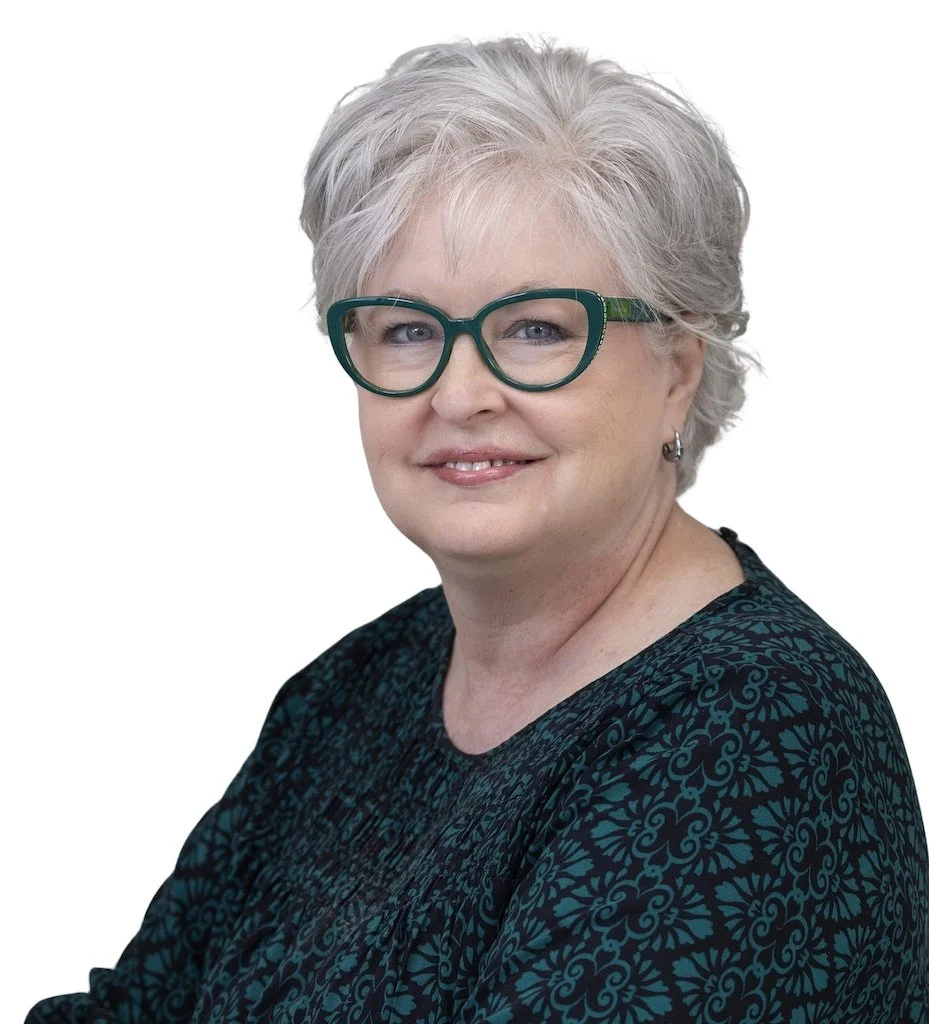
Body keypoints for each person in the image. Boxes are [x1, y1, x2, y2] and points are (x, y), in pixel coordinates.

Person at [26, 35, 928, 1024]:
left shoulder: (754, 732)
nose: (459, 394)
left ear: (677, 369)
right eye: (408, 329)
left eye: (536, 328)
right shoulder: (350, 693)